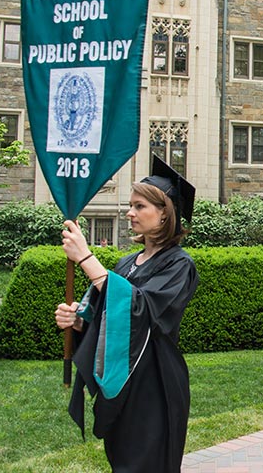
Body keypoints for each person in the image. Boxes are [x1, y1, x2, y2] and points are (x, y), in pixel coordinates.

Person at [54, 155, 199, 472]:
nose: (129, 212)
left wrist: (86, 259)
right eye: (130, 205)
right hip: (123, 383)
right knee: (121, 460)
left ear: (164, 214)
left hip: (155, 384)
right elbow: (109, 318)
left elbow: (141, 309)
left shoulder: (179, 265)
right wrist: (78, 321)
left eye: (139, 207)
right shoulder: (126, 263)